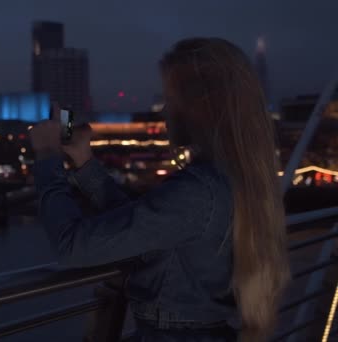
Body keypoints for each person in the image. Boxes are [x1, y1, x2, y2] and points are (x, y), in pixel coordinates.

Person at [29, 38, 291, 342]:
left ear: (201, 105)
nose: (164, 110)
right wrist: (85, 162)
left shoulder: (197, 191)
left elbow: (71, 245)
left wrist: (48, 158)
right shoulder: (231, 179)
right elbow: (140, 227)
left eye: (170, 97)